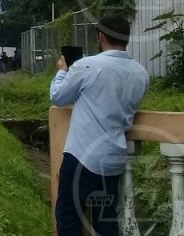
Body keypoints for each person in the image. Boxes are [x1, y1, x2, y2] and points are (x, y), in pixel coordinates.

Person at [50, 15, 149, 236]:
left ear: (101, 36)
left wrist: (62, 71)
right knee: (105, 219)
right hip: (114, 157)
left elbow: (58, 96)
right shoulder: (141, 73)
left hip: (82, 156)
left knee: (68, 215)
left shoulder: (87, 65)